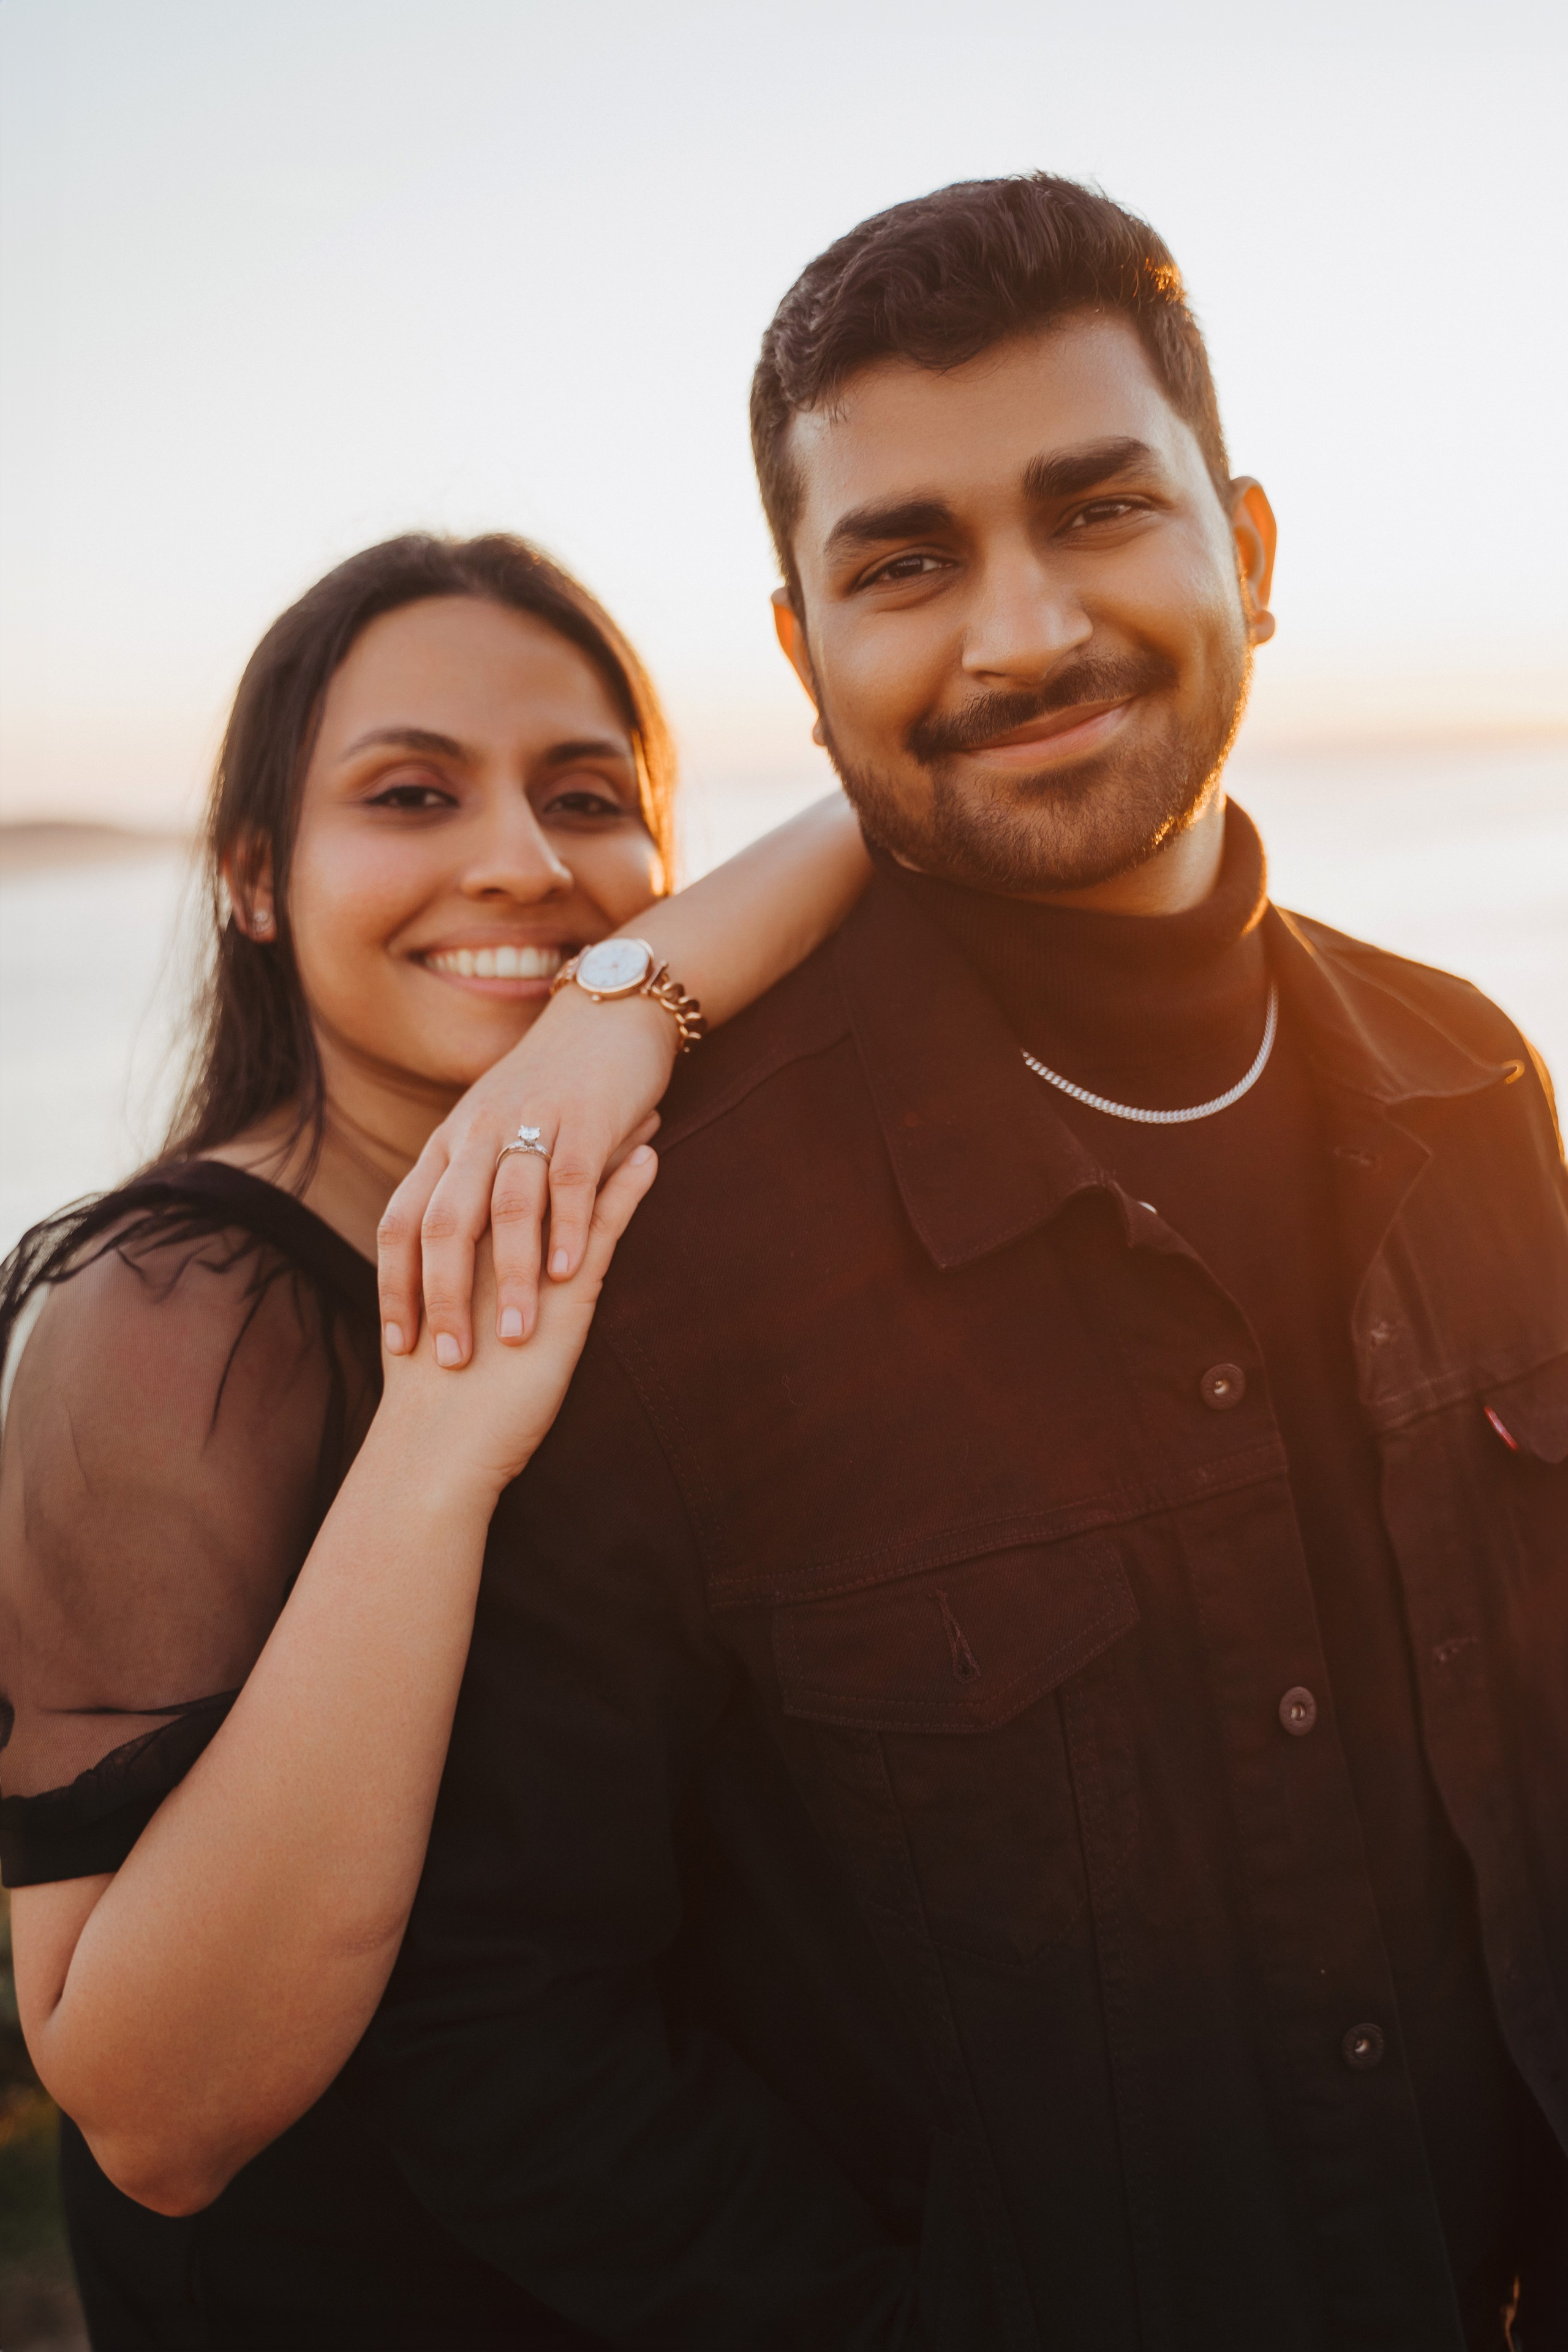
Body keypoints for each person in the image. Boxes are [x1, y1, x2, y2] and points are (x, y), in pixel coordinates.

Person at [354, 179, 1568, 2348]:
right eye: (906, 563)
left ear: (1253, 558)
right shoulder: (664, 1242)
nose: (1020, 635)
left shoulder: (1478, 1083)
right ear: (806, 659)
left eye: (1099, 508)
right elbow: (496, 2025)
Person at [0, 529, 872, 2348]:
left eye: (588, 797)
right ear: (254, 879)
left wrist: (626, 1012)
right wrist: (441, 1442)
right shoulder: (173, 1320)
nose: (524, 864)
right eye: (411, 793)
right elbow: (150, 2113)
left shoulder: (635, 1193)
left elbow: (885, 813)